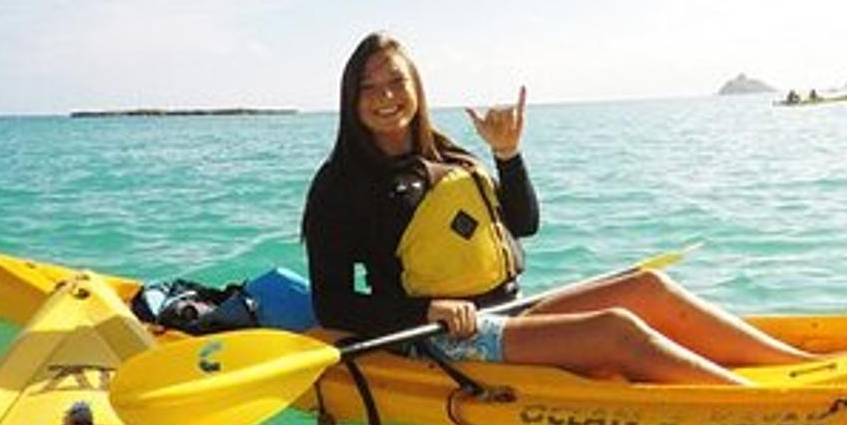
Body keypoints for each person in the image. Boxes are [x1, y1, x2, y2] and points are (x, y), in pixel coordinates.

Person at [301, 32, 819, 385]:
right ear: (351, 99)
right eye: (368, 87)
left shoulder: (444, 154)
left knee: (648, 286)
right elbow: (333, 303)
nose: (385, 96)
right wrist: (425, 311)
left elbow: (522, 225)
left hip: (508, 309)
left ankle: (803, 367)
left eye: (396, 81)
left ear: (416, 88)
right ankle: (762, 403)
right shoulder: (339, 187)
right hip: (440, 338)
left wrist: (508, 155)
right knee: (615, 330)